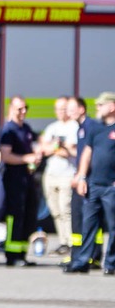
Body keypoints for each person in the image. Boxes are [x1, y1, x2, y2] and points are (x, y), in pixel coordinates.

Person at [63, 91, 115, 275]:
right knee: (88, 225)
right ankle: (82, 262)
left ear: (112, 107)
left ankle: (111, 264)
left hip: (111, 186)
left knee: (113, 227)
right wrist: (82, 176)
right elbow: (86, 153)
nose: (97, 109)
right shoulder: (96, 128)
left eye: (101, 105)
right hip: (93, 185)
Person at [0, 96, 42, 266]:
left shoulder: (26, 129)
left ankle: (22, 254)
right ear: (11, 109)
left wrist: (34, 158)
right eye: (19, 109)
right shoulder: (9, 130)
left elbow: (34, 147)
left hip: (26, 178)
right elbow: (6, 156)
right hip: (13, 178)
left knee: (28, 215)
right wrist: (27, 158)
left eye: (25, 108)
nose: (23, 112)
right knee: (15, 216)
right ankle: (12, 255)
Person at [39, 96, 79, 255]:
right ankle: (63, 242)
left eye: (63, 108)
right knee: (55, 210)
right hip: (50, 175)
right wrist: (57, 148)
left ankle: (71, 242)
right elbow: (44, 150)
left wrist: (55, 148)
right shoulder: (52, 127)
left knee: (65, 209)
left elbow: (68, 151)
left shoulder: (74, 127)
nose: (60, 112)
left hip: (66, 175)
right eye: (57, 108)